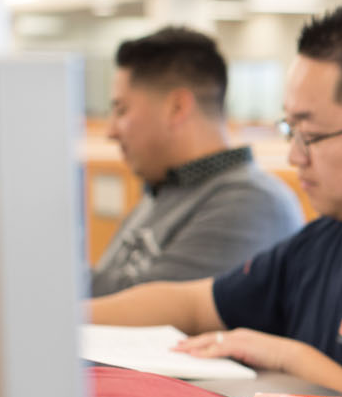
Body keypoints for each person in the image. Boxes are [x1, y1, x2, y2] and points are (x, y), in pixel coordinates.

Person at [91, 1, 342, 396]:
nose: (295, 157)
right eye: (291, 132)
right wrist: (62, 320)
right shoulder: (323, 241)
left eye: (311, 136)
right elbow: (194, 304)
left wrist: (291, 357)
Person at [92, 26, 304, 295]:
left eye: (122, 110)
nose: (111, 130)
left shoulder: (251, 204)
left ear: (177, 108)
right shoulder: (164, 191)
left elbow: (144, 309)